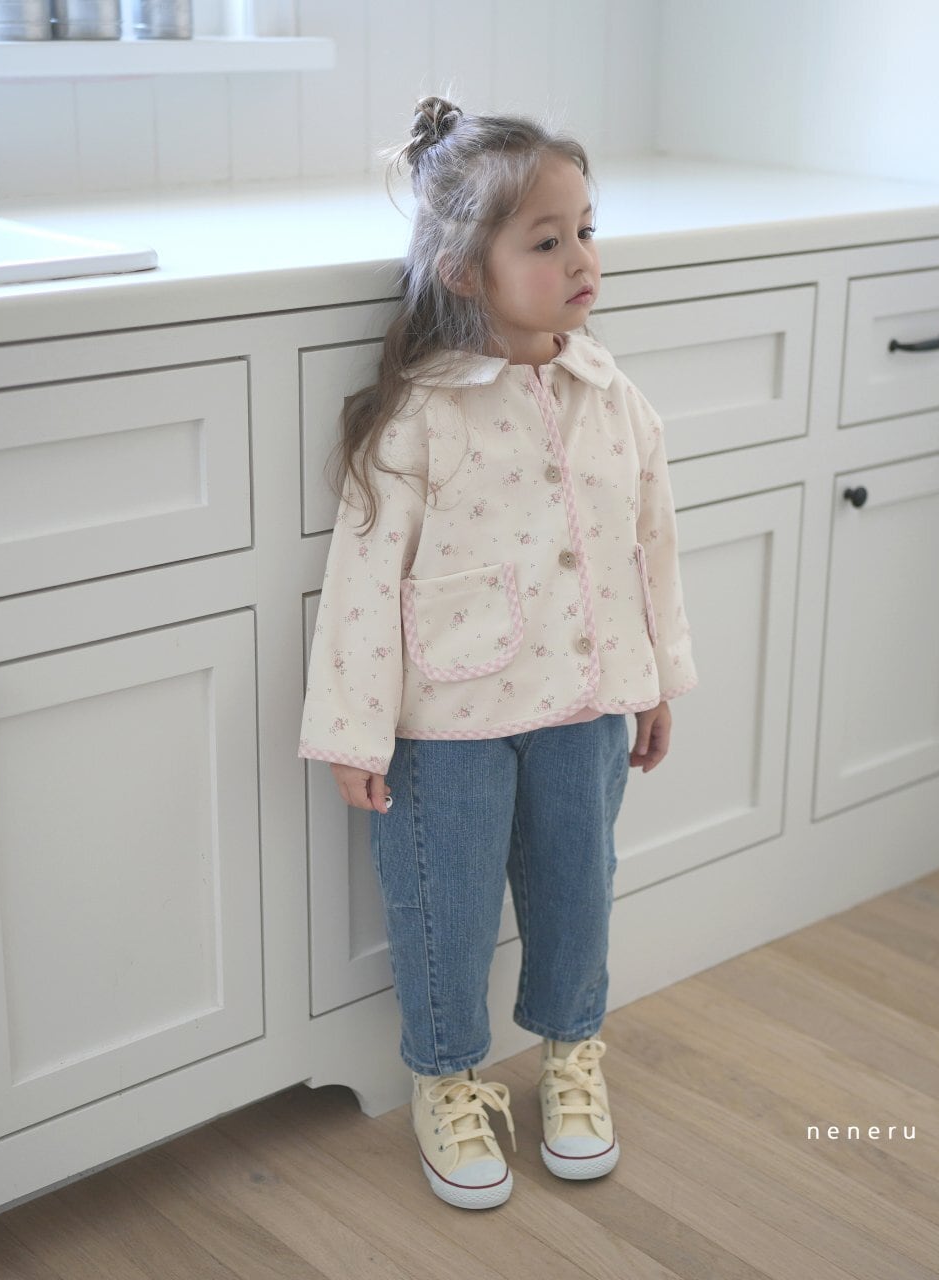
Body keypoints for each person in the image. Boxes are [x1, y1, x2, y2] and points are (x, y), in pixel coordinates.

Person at [297, 95, 699, 1211]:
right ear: (465, 271)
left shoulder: (614, 399)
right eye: (547, 240)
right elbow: (363, 580)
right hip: (447, 723)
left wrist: (655, 678)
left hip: (585, 704)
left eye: (586, 230)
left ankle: (571, 1056)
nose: (582, 259)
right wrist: (353, 731)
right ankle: (445, 1077)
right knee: (446, 909)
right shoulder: (421, 418)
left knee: (579, 892)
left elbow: (651, 547)